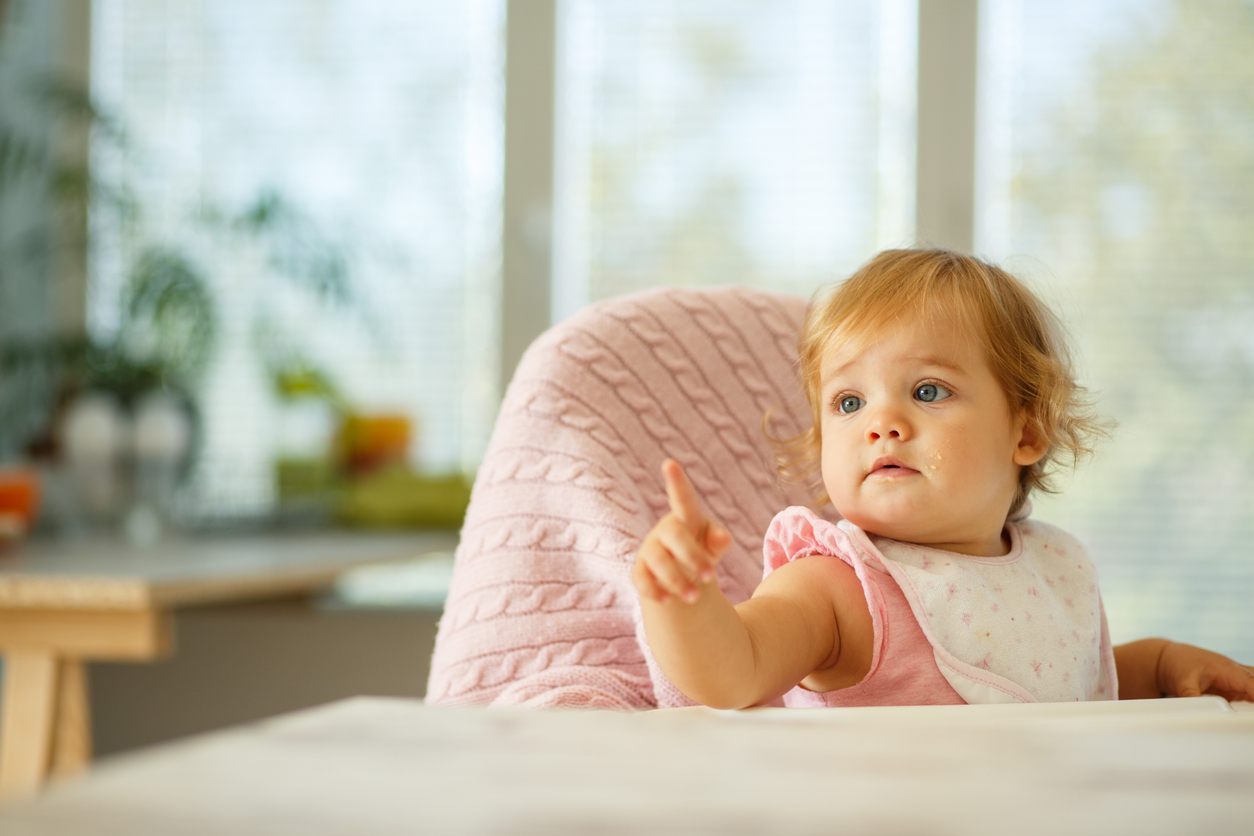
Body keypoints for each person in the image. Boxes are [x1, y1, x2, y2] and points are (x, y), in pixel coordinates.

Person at [633, 248, 1254, 710]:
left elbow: (1058, 689)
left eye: (928, 391)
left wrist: (1165, 665)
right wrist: (682, 602)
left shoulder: (1053, 569)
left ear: (1026, 433)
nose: (882, 423)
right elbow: (735, 670)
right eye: (849, 403)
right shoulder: (838, 585)